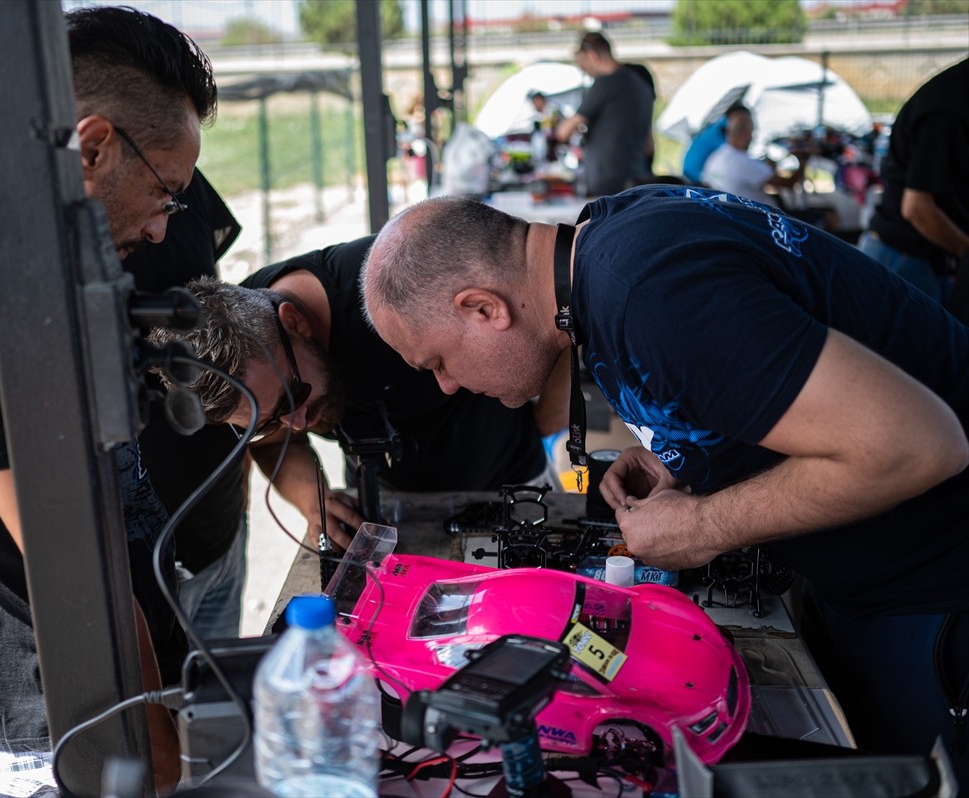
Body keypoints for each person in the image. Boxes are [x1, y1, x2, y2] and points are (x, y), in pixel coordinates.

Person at [361, 189, 969, 783]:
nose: (445, 386)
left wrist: (705, 525)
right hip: (870, 584)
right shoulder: (602, 243)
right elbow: (752, 364)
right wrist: (689, 451)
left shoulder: (650, 296)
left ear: (483, 308)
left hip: (936, 588)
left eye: (437, 362)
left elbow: (917, 446)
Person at [0, 7, 217, 795]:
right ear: (92, 148)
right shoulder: (4, 318)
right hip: (81, 739)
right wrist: (159, 755)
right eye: (167, 193)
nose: (165, 230)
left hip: (47, 717)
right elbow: (79, 574)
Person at [150, 236, 572, 549]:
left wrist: (548, 415)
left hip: (507, 486)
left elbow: (544, 313)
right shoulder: (245, 329)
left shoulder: (403, 282)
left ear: (294, 322)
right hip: (386, 502)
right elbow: (281, 441)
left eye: (290, 398)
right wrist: (313, 500)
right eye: (263, 422)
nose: (297, 423)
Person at [122, 169, 249, 648]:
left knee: (220, 711)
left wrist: (242, 468)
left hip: (221, 519)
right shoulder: (53, 228)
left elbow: (211, 309)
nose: (158, 228)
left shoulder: (177, 173)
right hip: (148, 564)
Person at [861, 59, 969, 311]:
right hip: (906, 260)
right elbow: (917, 208)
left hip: (930, 261)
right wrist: (966, 250)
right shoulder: (948, 108)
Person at [701, 107, 836, 230]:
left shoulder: (716, 157)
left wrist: (766, 167)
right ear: (746, 134)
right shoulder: (745, 163)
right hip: (766, 219)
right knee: (830, 215)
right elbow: (789, 184)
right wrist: (803, 161)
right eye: (752, 133)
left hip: (735, 213)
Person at [554, 31, 653, 196]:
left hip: (609, 183)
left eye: (585, 67)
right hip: (635, 178)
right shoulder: (639, 82)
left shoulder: (606, 83)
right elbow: (648, 145)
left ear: (592, 56)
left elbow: (563, 133)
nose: (588, 74)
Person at [681, 102, 748, 186]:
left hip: (689, 173)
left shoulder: (715, 127)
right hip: (696, 178)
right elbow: (736, 160)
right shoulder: (723, 134)